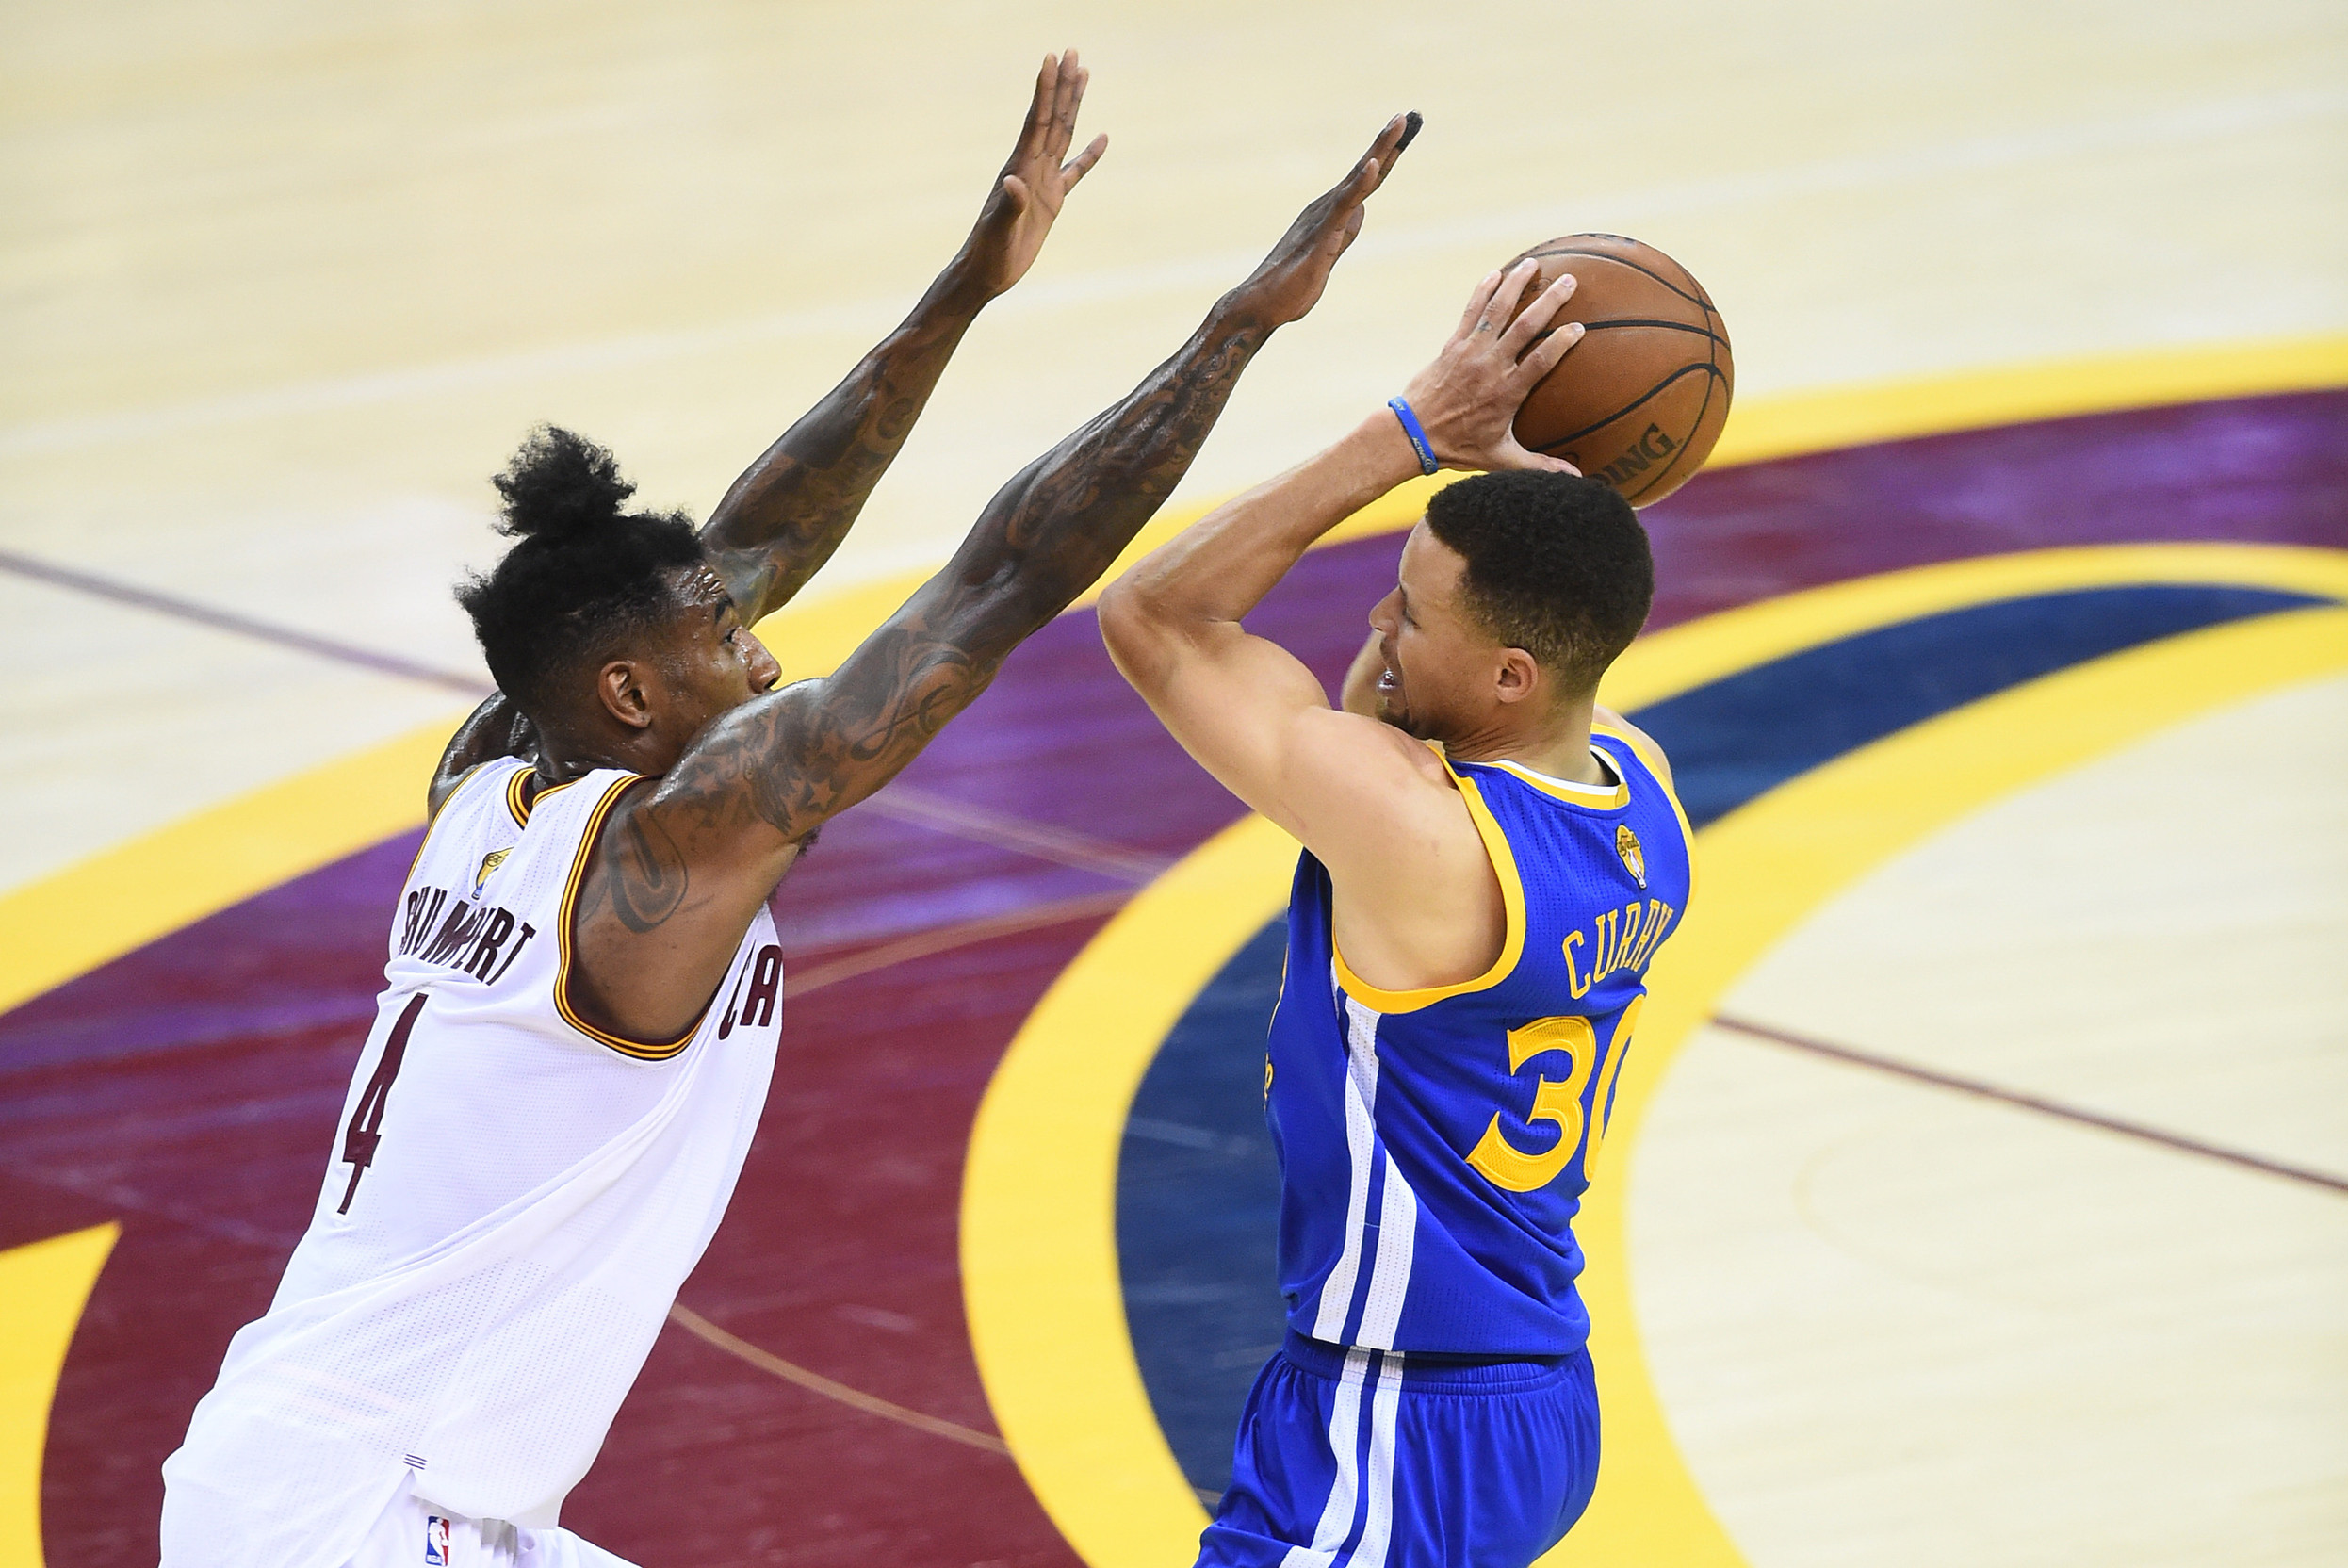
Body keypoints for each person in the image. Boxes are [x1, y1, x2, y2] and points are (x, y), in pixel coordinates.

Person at [159, 45, 1422, 1567]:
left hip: (356, 1476)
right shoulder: (668, 852)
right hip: (354, 1516)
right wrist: (1238, 330)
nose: (762, 641)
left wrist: (966, 292)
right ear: (633, 695)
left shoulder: (499, 770)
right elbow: (1001, 581)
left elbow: (756, 533)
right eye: (719, 631)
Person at [1098, 257, 1694, 1565]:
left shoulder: (1420, 836)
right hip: (1534, 1390)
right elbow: (1422, 693)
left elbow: (1156, 620)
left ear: (1508, 673)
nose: (1374, 621)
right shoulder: (1644, 796)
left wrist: (1413, 437)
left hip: (1400, 1413)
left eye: (1408, 612)